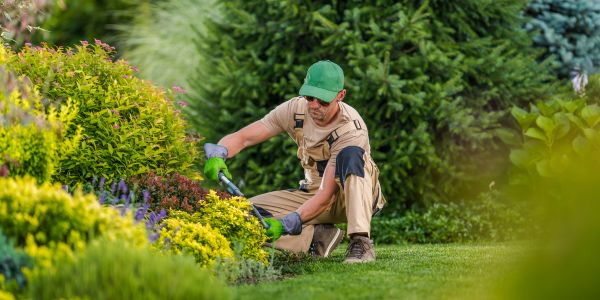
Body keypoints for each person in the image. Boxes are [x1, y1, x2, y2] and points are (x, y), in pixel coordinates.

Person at [203, 60, 385, 263]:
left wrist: (287, 223)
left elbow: (327, 195)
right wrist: (219, 153)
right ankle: (316, 238)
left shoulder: (351, 129)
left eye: (323, 100)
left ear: (340, 96)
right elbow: (245, 137)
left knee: (351, 155)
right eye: (310, 97)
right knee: (244, 215)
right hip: (313, 192)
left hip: (349, 197)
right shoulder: (295, 109)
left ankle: (360, 242)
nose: (314, 105)